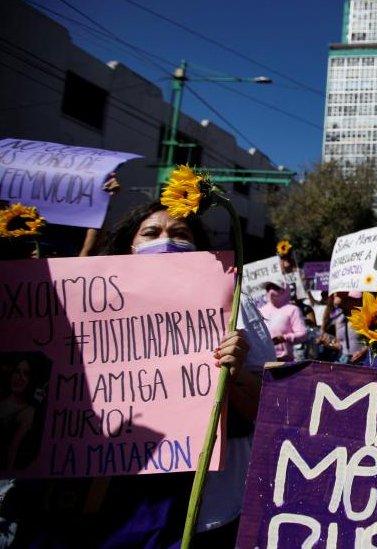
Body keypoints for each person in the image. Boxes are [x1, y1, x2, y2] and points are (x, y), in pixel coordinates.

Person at [6, 201, 268, 547]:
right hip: (102, 492)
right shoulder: (88, 302)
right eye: (151, 233)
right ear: (130, 244)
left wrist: (235, 373)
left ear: (199, 245)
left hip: (197, 499)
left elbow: (266, 413)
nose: (166, 240)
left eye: (180, 233)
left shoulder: (235, 303)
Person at [259, 281, 307, 362]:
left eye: (275, 287)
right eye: (268, 288)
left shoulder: (292, 309)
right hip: (264, 359)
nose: (271, 291)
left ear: (284, 290)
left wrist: (284, 338)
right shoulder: (261, 310)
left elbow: (302, 334)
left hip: (284, 359)